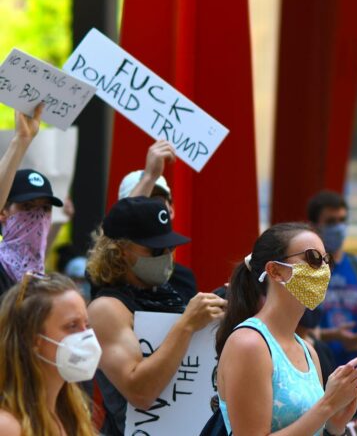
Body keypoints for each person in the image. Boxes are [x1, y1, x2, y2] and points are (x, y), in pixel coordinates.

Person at [87, 196, 226, 436]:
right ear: (120, 250)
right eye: (155, 249)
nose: (167, 254)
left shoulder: (170, 294)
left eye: (170, 247)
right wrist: (186, 325)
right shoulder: (107, 308)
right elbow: (140, 393)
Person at [215, 222, 357, 435]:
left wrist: (335, 426)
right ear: (275, 271)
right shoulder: (249, 344)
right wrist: (327, 406)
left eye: (327, 260)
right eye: (313, 258)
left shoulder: (308, 351)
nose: (323, 270)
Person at [0, 272, 100, 435]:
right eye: (72, 326)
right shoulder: (8, 426)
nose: (86, 336)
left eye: (86, 325)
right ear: (34, 341)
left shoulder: (73, 413)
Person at [116, 139, 197, 304]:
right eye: (143, 199)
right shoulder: (109, 276)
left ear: (171, 209)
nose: (149, 208)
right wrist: (149, 177)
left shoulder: (184, 278)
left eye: (157, 200)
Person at [307, 191, 357, 367]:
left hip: (354, 369)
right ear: (314, 226)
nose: (339, 227)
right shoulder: (306, 269)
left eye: (342, 220)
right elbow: (294, 327)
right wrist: (332, 334)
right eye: (331, 222)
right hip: (315, 366)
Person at [0, 105, 65, 297]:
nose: (37, 216)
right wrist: (21, 140)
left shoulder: (48, 289)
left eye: (45, 208)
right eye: (27, 207)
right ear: (3, 212)